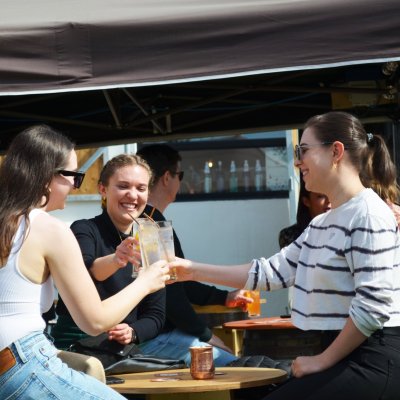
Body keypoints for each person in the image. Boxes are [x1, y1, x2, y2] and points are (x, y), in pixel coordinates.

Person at [169, 111, 400, 400]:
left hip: (375, 361)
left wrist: (323, 360)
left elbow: (373, 308)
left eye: (302, 150)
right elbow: (270, 273)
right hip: (348, 354)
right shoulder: (323, 222)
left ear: (336, 151)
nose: (297, 161)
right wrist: (189, 270)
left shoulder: (368, 214)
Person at [0, 125, 169, 400]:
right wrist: (146, 281)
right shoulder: (49, 228)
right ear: (47, 177)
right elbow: (94, 320)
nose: (75, 186)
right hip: (20, 361)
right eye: (74, 177)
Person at [137, 144, 251, 366]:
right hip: (151, 338)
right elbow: (171, 294)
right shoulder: (149, 223)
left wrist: (224, 297)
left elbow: (178, 280)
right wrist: (207, 335)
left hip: (153, 334)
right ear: (167, 177)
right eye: (180, 175)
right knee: (234, 367)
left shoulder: (151, 219)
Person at [52, 154, 166, 355]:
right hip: (76, 346)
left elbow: (156, 314)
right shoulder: (85, 229)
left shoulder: (151, 239)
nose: (132, 195)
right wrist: (116, 259)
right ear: (103, 189)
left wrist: (133, 331)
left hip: (121, 352)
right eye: (123, 186)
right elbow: (84, 274)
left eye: (141, 188)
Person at [279, 180, 331, 248]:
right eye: (321, 196)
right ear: (306, 201)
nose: (329, 201)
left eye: (332, 195)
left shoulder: (342, 231)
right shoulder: (289, 236)